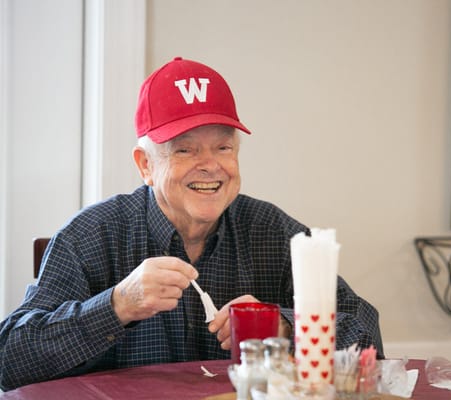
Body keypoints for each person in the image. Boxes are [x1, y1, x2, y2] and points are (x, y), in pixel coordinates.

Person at [0, 57, 384, 391]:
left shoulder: (273, 231)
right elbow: (10, 363)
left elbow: (369, 345)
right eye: (184, 149)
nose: (210, 165)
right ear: (145, 165)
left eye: (223, 147)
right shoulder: (90, 237)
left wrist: (285, 328)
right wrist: (117, 306)